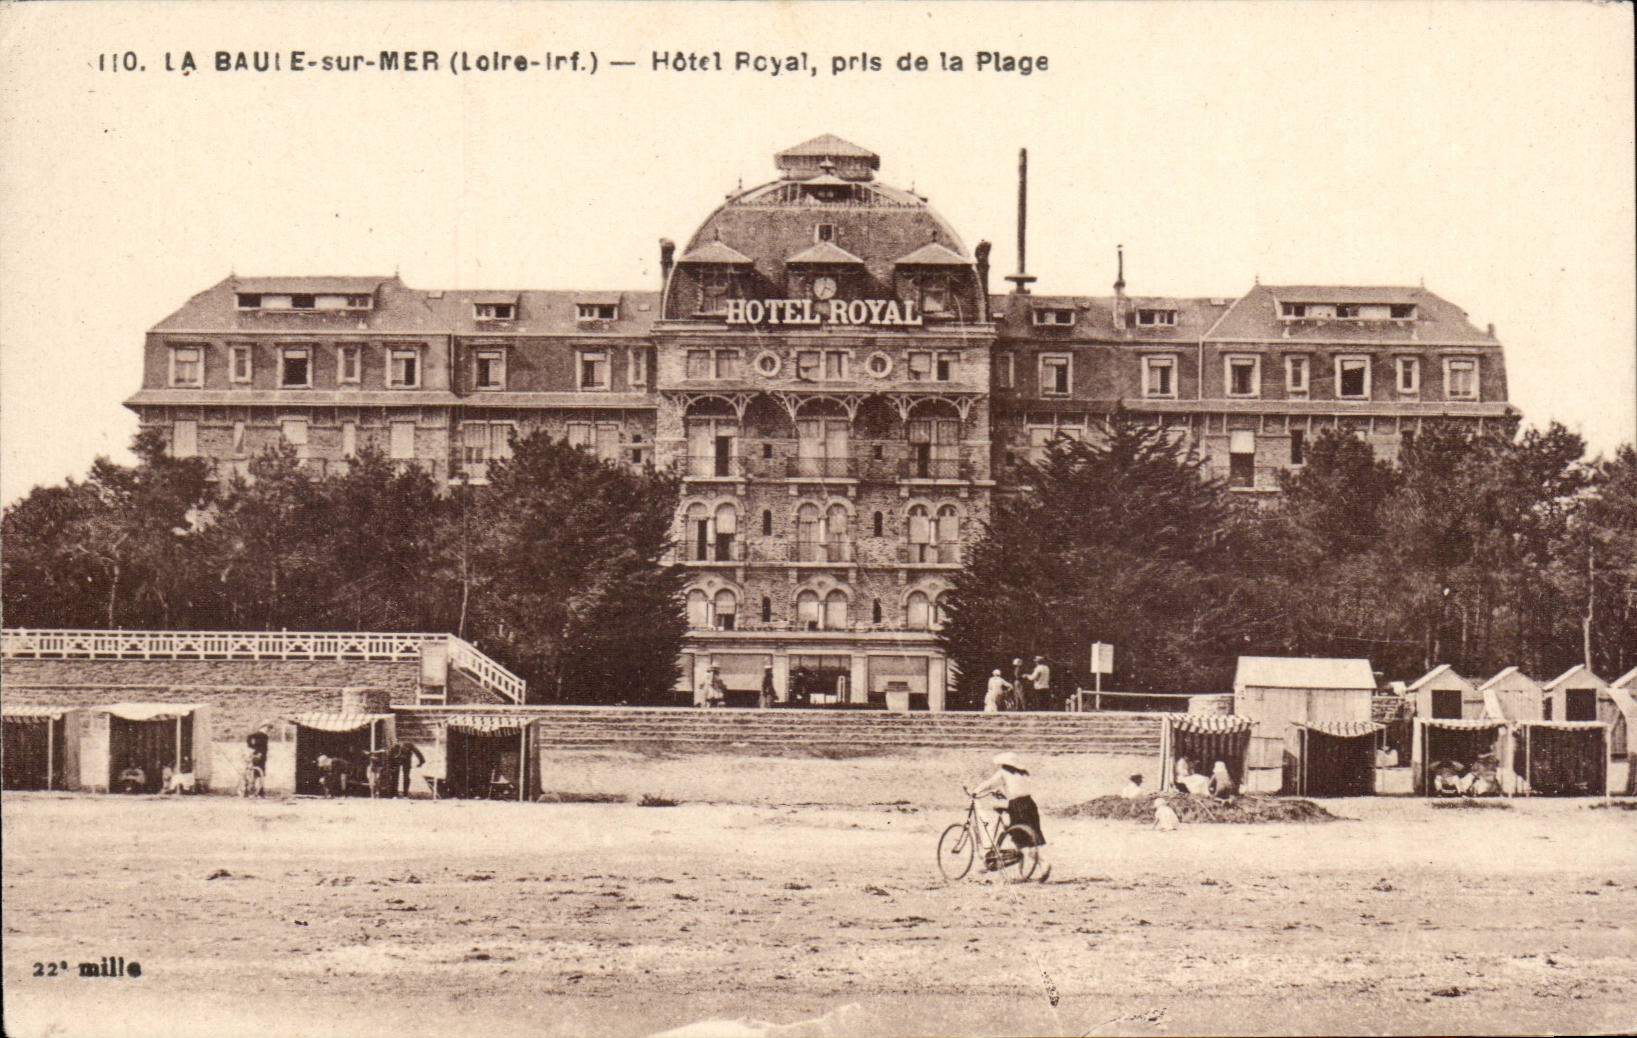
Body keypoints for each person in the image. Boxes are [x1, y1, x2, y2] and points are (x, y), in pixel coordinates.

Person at [973, 752, 1051, 883]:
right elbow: (1016, 789)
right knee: (1031, 839)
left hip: (1017, 806)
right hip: (1030, 804)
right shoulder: (1021, 773)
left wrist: (975, 791)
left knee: (1019, 838)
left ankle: (994, 861)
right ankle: (1039, 864)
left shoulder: (1003, 772)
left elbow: (990, 783)